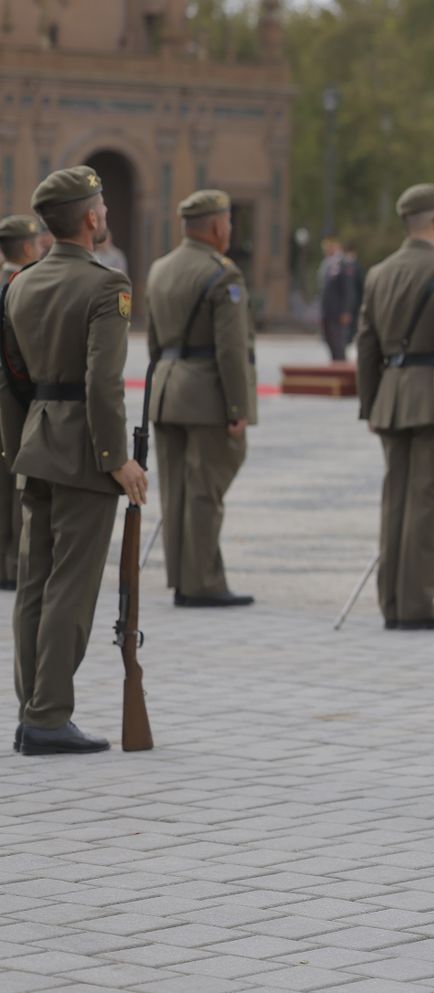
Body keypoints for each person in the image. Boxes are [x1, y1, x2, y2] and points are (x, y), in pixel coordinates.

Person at [0, 165, 148, 756]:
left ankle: (32, 707)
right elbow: (102, 386)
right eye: (102, 204)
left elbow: (9, 379)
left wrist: (17, 450)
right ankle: (50, 714)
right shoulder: (102, 286)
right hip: (84, 451)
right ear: (90, 217)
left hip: (35, 443)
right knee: (71, 586)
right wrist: (118, 462)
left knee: (35, 582)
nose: (106, 211)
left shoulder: (21, 284)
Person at [354, 183, 434, 631]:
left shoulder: (379, 272)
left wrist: (371, 403)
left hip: (391, 396)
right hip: (431, 397)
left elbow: (365, 344)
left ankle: (392, 599)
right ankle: (416, 602)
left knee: (395, 500)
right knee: (425, 503)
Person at [145, 190, 256, 609]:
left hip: (168, 391)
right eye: (227, 222)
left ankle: (183, 577)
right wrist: (237, 407)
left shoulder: (159, 269)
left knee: (175, 490)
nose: (229, 229)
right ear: (216, 227)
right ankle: (203, 581)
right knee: (205, 489)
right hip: (207, 394)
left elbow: (155, 342)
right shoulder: (223, 274)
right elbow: (231, 350)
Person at [0, 214, 47, 592]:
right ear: (28, 247)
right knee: (18, 478)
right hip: (13, 396)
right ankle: (15, 563)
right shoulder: (24, 284)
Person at [319, 237, 360, 361]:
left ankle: (340, 371)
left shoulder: (343, 264)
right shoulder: (326, 264)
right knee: (331, 344)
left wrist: (346, 311)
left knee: (339, 346)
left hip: (338, 313)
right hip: (328, 312)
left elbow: (349, 291)